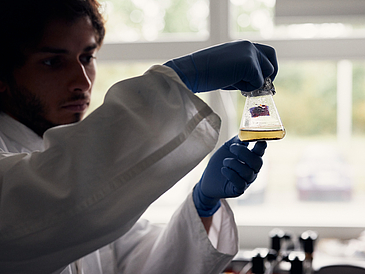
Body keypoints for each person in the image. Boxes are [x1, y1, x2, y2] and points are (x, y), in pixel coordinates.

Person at [0, 0, 278, 273]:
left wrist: (203, 205)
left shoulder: (84, 163)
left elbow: (142, 262)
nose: (83, 82)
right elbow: (43, 202)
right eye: (52, 62)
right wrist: (178, 81)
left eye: (87, 57)